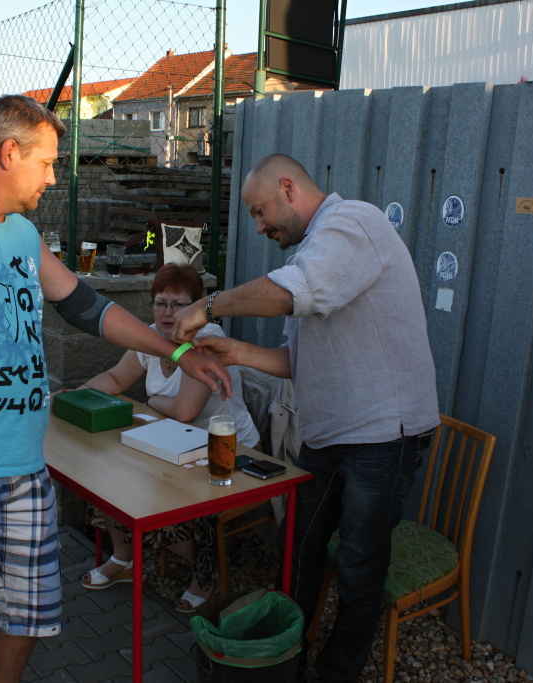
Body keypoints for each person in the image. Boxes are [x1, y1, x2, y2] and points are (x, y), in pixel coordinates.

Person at [0, 94, 231, 683]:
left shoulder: (20, 232)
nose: (53, 178)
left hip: (24, 465)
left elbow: (85, 305)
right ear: (9, 153)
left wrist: (176, 351)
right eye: (47, 163)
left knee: (27, 607)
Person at [172, 153, 439, 683]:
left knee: (359, 565)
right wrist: (238, 352)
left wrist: (208, 306)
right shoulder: (315, 252)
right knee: (299, 543)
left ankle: (335, 673)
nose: (258, 226)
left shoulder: (351, 223)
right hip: (331, 434)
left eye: (259, 211)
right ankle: (285, 657)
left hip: (383, 435)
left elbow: (285, 293)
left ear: (289, 188)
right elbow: (299, 361)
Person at [76, 263, 259, 613]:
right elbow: (116, 378)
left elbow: (184, 410)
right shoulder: (150, 338)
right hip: (174, 444)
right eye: (161, 303)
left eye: (179, 305)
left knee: (157, 498)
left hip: (227, 454)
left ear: (196, 308)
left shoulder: (206, 339)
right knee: (107, 477)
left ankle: (205, 574)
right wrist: (74, 395)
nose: (168, 313)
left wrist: (155, 402)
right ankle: (124, 559)